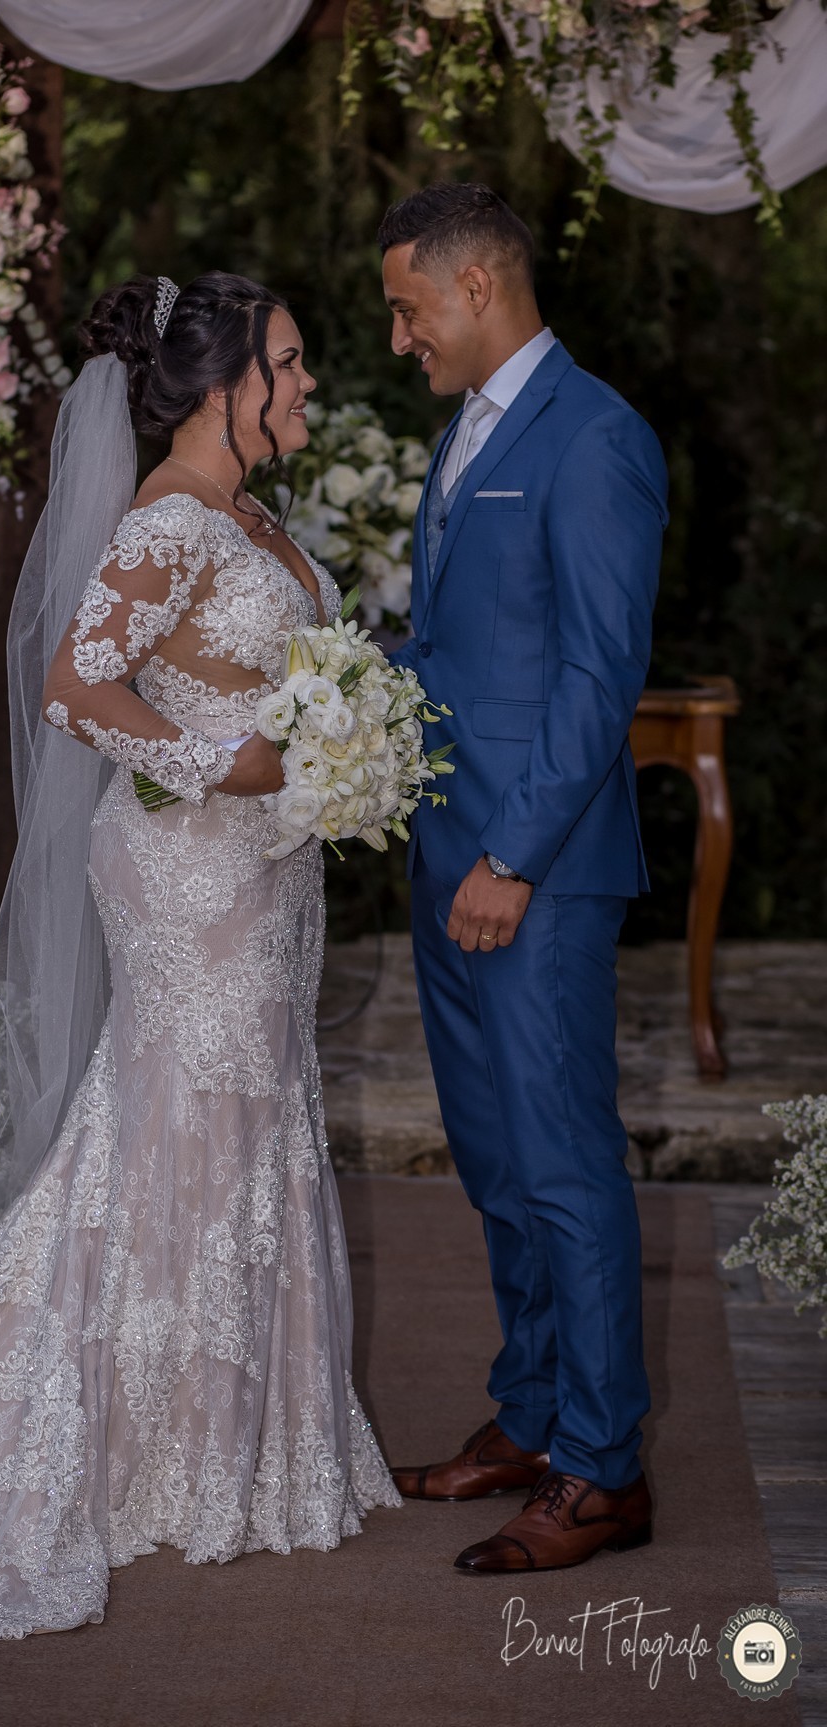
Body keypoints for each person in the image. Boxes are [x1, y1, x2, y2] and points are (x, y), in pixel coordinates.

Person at [0, 270, 398, 1650]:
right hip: (183, 871)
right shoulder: (168, 518)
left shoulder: (255, 519)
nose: (305, 386)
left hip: (263, 875)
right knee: (187, 1125)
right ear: (219, 385)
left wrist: (341, 759)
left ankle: (244, 1444)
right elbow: (77, 682)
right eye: (285, 364)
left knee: (250, 1119)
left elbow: (288, 688)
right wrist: (231, 768)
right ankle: (161, 1449)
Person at [380, 184, 667, 1573]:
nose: (398, 334)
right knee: (498, 1166)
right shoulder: (465, 434)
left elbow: (598, 673)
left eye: (407, 306)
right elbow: (451, 653)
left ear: (480, 281)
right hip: (450, 859)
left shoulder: (596, 437)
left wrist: (510, 857)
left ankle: (606, 1470)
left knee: (562, 1165)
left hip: (529, 870)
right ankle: (538, 1414)